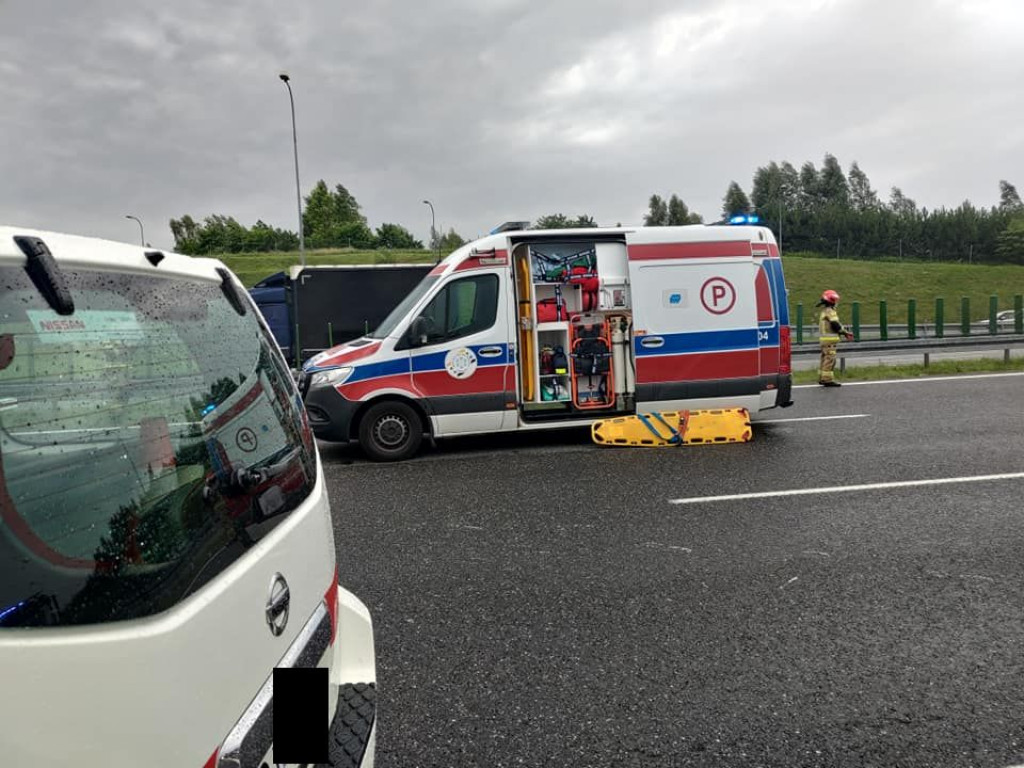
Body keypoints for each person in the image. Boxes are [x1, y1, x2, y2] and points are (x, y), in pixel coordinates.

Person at [816, 289, 854, 386]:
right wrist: (844, 332)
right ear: (831, 301)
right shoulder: (830, 311)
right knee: (830, 360)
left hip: (824, 341)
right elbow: (835, 324)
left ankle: (822, 377)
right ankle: (827, 380)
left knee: (824, 359)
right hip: (829, 341)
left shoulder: (824, 311)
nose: (836, 303)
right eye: (835, 300)